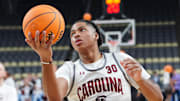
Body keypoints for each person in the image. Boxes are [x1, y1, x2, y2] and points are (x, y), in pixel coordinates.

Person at [25, 20, 163, 101]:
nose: (76, 35)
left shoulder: (120, 59)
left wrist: (140, 81)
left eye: (82, 30)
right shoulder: (69, 69)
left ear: (96, 35)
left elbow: (158, 98)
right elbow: (54, 98)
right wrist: (46, 59)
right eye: (72, 34)